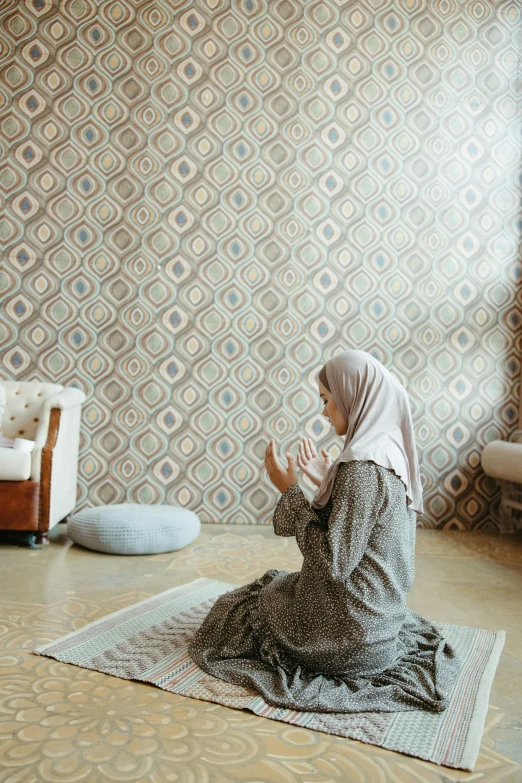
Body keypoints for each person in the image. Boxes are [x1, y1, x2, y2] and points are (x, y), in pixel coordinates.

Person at [188, 349, 460, 713]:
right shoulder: (391, 453)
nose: (324, 411)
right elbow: (364, 533)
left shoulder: (360, 469)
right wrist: (325, 482)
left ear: (353, 397)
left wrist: (289, 491)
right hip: (379, 629)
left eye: (327, 401)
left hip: (345, 637)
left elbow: (333, 563)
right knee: (277, 585)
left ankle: (314, 645)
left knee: (234, 609)